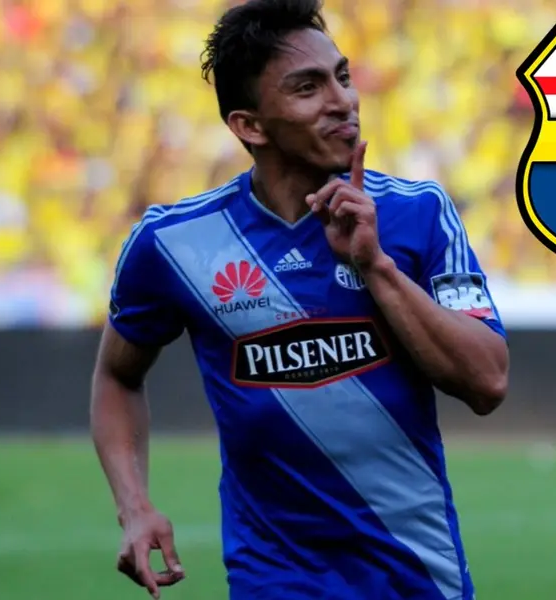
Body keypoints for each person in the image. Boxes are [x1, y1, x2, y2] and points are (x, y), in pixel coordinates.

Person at [89, 1, 510, 598]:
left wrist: (376, 266)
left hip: (416, 573)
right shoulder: (175, 243)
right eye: (307, 87)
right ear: (250, 125)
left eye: (341, 75)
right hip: (274, 575)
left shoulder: (417, 213)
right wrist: (134, 507)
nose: (342, 100)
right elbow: (117, 375)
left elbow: (487, 382)